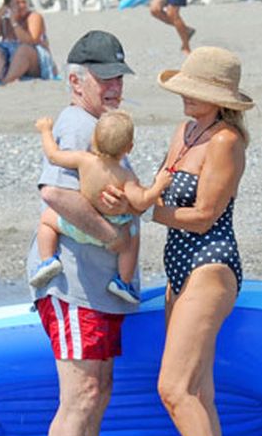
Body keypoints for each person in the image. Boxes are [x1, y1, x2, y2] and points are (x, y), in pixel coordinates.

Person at [27, 29, 136, 436]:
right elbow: (53, 194)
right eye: (104, 79)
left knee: (98, 389)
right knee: (84, 393)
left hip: (96, 286)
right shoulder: (75, 125)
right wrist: (114, 236)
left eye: (118, 77)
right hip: (73, 284)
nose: (114, 87)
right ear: (76, 82)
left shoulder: (101, 123)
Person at [143, 46, 254, 436]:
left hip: (211, 263)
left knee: (172, 387)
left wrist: (146, 210)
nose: (186, 98)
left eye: (196, 91)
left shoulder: (227, 141)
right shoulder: (185, 132)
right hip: (178, 266)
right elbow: (161, 183)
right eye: (184, 90)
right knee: (197, 390)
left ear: (221, 98)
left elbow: (205, 215)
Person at [31, 111, 171, 303]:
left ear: (93, 139)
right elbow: (141, 201)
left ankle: (47, 260)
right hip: (116, 228)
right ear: (129, 147)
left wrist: (45, 130)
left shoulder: (83, 159)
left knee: (47, 221)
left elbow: (54, 156)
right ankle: (123, 281)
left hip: (81, 225)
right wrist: (158, 185)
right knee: (132, 238)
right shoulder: (125, 176)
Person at [0, 0, 56, 84]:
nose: (22, 6)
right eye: (17, 3)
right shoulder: (4, 21)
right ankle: (4, 78)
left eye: (24, 2)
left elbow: (30, 41)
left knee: (23, 50)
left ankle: (7, 80)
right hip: (11, 62)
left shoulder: (34, 17)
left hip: (34, 62)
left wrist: (14, 23)